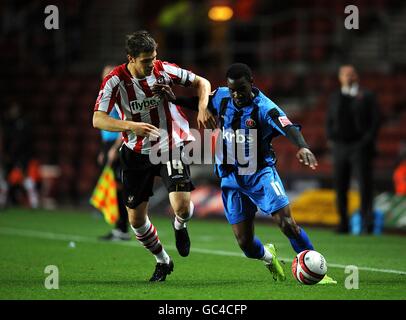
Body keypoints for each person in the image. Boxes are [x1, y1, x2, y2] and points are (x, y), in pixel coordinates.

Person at [154, 63, 336, 284]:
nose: (236, 94)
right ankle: (269, 256)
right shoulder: (221, 96)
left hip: (260, 174)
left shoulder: (264, 107)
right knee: (246, 245)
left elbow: (288, 126)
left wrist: (303, 146)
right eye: (232, 90)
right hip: (231, 178)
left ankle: (319, 271)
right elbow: (199, 103)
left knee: (287, 223)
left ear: (251, 83)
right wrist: (175, 99)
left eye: (241, 89)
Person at [92, 30, 214, 282]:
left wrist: (202, 107)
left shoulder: (164, 70)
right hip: (135, 152)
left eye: (154, 58)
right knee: (136, 220)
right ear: (131, 58)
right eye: (146, 60)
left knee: (181, 206)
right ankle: (162, 260)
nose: (151, 64)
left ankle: (180, 225)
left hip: (171, 145)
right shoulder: (114, 81)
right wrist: (131, 126)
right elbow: (98, 119)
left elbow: (202, 82)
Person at [326, 65, 380, 234]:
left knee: (364, 186)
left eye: (351, 74)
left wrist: (366, 141)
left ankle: (367, 224)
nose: (348, 77)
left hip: (360, 147)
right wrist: (331, 138)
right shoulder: (335, 96)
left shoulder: (367, 96)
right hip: (340, 147)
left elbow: (375, 120)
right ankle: (343, 223)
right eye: (344, 74)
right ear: (340, 77)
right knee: (340, 186)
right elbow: (329, 120)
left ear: (356, 76)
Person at [97, 66, 131, 241]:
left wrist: (113, 149)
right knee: (114, 188)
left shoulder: (120, 95)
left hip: (118, 144)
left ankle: (123, 228)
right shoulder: (105, 94)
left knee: (120, 188)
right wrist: (103, 148)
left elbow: (124, 123)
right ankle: (118, 227)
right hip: (108, 145)